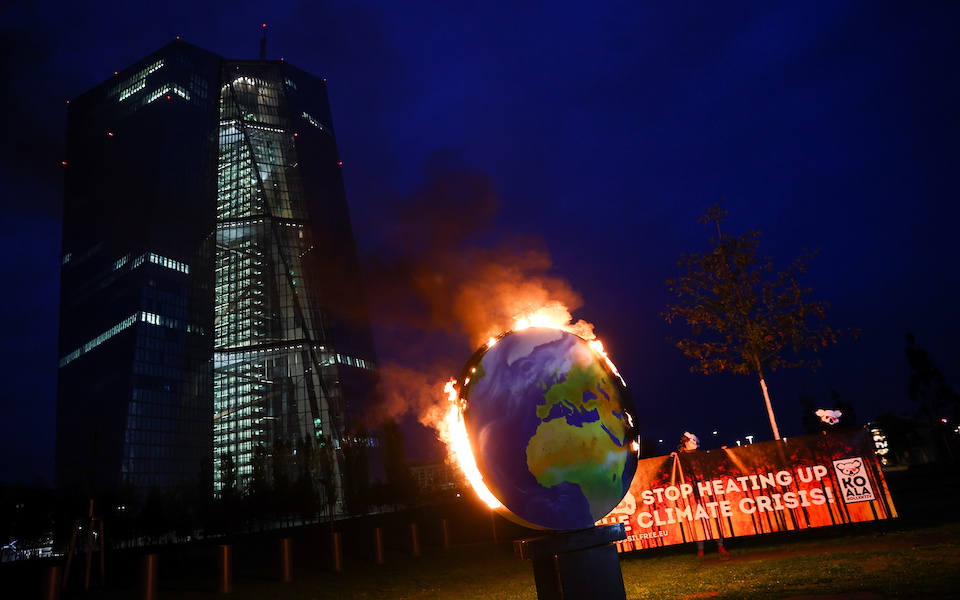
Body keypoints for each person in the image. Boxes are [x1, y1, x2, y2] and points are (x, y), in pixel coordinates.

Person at [674, 432, 729, 559]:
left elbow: (712, 461)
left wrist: (722, 453)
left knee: (713, 515)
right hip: (691, 491)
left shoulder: (701, 455)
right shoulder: (680, 457)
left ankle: (720, 545)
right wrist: (672, 458)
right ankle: (700, 548)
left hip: (705, 488)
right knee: (697, 518)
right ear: (686, 442)